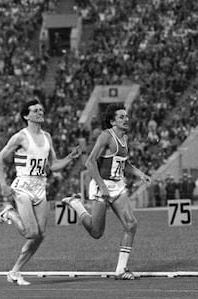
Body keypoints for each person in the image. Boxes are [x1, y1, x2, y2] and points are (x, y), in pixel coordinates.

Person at [0, 99, 81, 286]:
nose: (40, 112)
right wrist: (3, 184)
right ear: (26, 115)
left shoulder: (48, 137)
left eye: (41, 109)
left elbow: (53, 166)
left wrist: (70, 158)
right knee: (31, 233)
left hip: (40, 188)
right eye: (35, 110)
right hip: (23, 187)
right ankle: (9, 213)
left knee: (40, 235)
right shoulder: (20, 137)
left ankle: (15, 272)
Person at [62, 103, 151, 280]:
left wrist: (141, 174)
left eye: (126, 116)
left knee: (131, 224)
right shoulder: (105, 136)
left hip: (117, 186)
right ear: (112, 122)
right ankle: (77, 205)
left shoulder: (125, 138)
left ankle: (121, 270)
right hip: (100, 185)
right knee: (96, 232)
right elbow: (89, 162)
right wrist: (102, 186)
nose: (126, 119)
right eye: (121, 117)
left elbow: (124, 163)